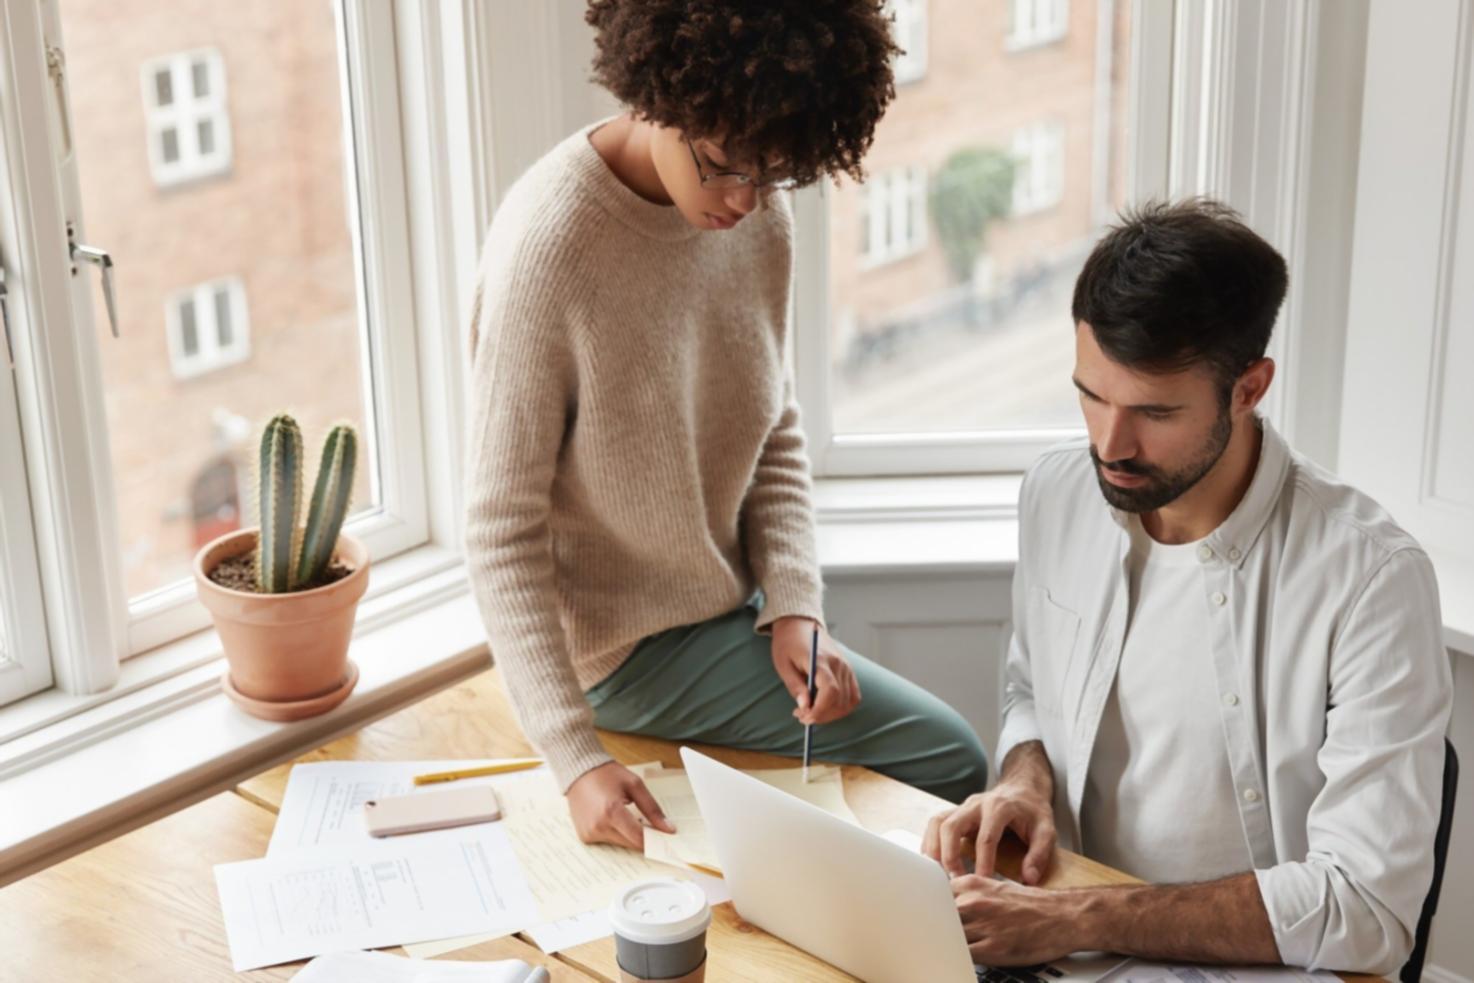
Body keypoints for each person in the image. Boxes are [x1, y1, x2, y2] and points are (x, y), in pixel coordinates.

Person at [463, 0, 988, 851]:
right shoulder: (549, 250)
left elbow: (773, 423)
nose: (744, 199)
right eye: (721, 167)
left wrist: (795, 604)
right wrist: (573, 758)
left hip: (726, 603)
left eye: (772, 173)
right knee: (951, 756)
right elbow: (497, 530)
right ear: (656, 96)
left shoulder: (755, 213)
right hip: (622, 648)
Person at [922, 199, 1452, 975]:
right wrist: (1025, 781)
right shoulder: (1057, 493)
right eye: (1091, 394)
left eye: (1154, 411)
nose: (1109, 443)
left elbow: (1364, 906)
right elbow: (1030, 689)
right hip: (1062, 940)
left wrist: (1078, 917)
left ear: (1249, 387)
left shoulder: (1372, 578)